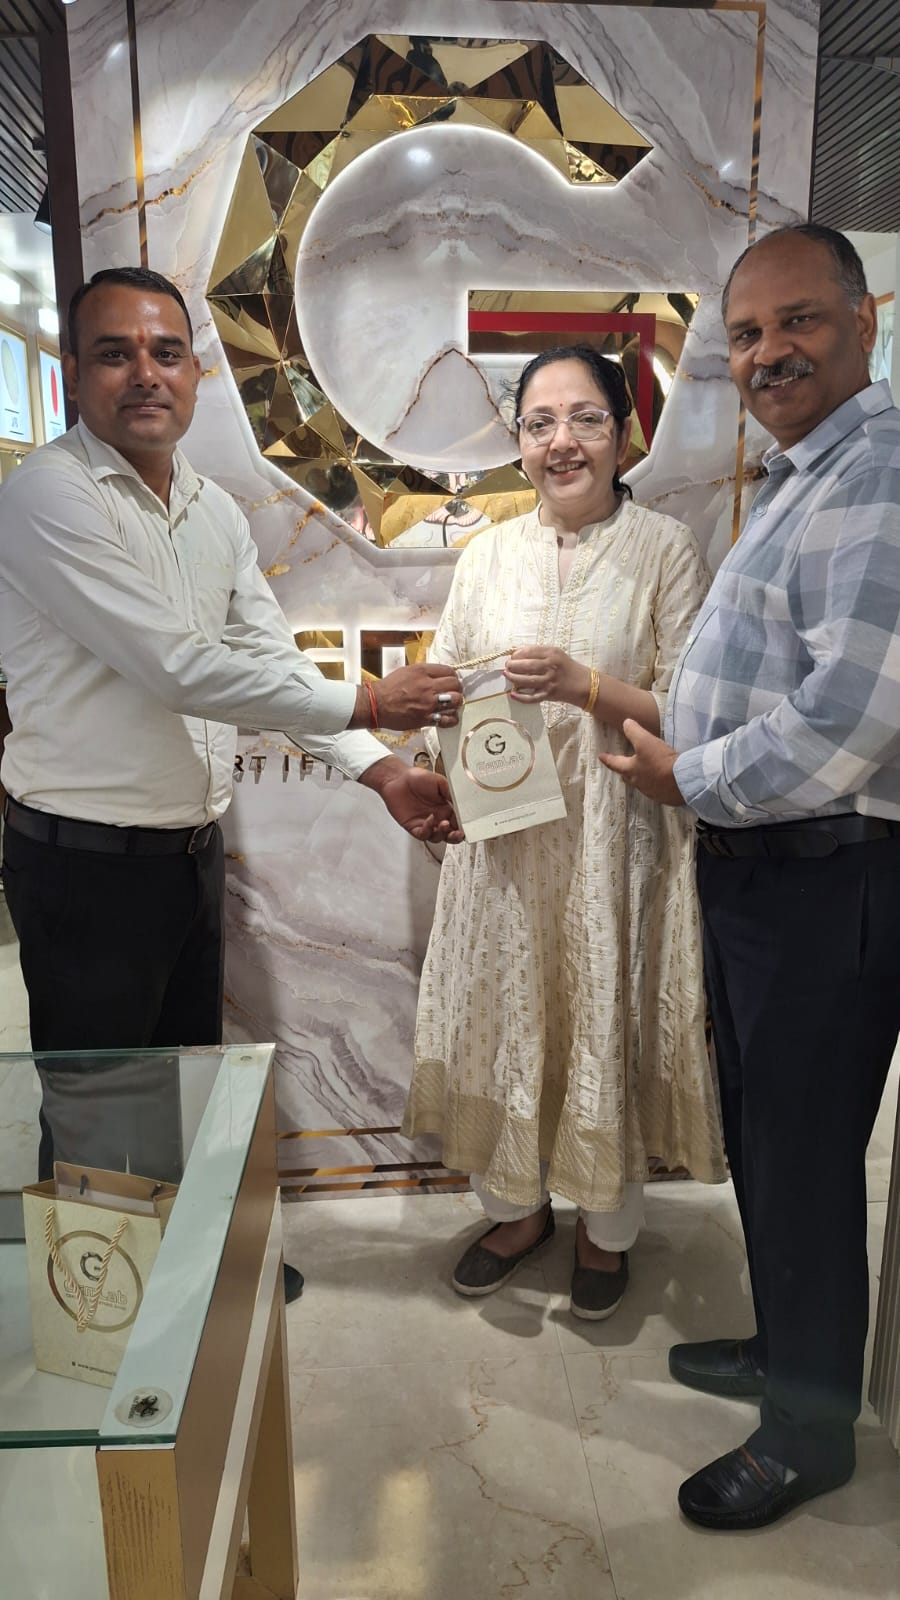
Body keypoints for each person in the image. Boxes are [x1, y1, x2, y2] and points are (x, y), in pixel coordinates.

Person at [0, 266, 463, 1304]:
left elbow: (265, 659)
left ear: (196, 373)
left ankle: (192, 1283)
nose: (144, 373)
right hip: (83, 864)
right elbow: (178, 668)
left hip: (185, 854)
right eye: (115, 353)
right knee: (97, 1105)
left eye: (165, 352)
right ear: (73, 372)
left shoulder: (208, 507)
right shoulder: (48, 497)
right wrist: (372, 702)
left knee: (184, 1084)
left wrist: (382, 770)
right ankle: (104, 1325)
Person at [601, 224, 900, 1528]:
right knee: (770, 1144)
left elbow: (853, 713)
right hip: (768, 871)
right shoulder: (803, 475)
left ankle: (808, 1435)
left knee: (807, 1158)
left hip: (827, 880)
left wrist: (691, 778)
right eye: (746, 333)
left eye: (798, 321)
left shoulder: (880, 472)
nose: (769, 352)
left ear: (864, 323)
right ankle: (791, 1355)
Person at [404, 345, 726, 1318]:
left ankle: (605, 1228)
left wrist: (588, 686)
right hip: (507, 849)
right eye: (540, 423)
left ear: (623, 433)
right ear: (518, 442)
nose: (562, 442)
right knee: (507, 1019)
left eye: (585, 418)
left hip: (613, 848)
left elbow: (692, 710)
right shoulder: (488, 554)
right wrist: (431, 744)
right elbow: (447, 678)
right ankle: (515, 1212)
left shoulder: (664, 548)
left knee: (602, 1019)